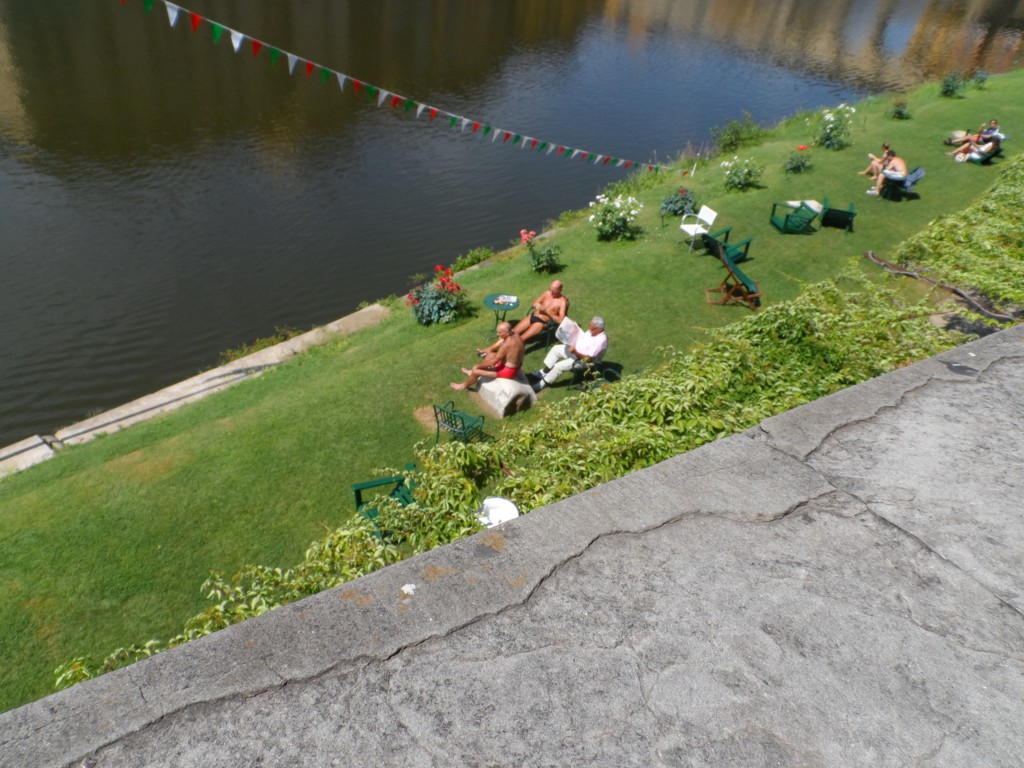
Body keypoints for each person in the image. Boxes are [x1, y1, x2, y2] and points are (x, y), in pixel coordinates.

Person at [479, 280, 568, 356]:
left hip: (541, 323)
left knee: (521, 339)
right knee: (511, 333)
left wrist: (546, 311)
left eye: (554, 291)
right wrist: (536, 305)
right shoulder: (547, 293)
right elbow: (533, 303)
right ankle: (490, 349)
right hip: (533, 316)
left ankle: (502, 354)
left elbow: (561, 320)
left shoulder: (562, 302)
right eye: (551, 289)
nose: (551, 293)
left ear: (560, 289)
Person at [529, 316, 608, 391]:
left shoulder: (600, 341)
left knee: (558, 366)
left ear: (599, 329)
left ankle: (543, 383)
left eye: (592, 328)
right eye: (589, 326)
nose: (589, 329)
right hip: (576, 351)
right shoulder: (593, 332)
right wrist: (576, 330)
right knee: (556, 349)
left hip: (584, 361)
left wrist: (575, 352)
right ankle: (545, 371)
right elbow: (583, 337)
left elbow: (588, 358)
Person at [451, 322, 525, 391]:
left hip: (508, 371)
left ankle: (463, 386)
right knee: (489, 355)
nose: (497, 334)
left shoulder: (506, 345)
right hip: (513, 364)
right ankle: (471, 372)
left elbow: (492, 363)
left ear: (507, 333)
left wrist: (478, 366)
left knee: (476, 371)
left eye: (499, 333)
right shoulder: (515, 333)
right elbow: (501, 342)